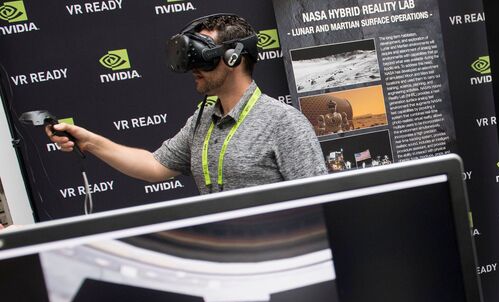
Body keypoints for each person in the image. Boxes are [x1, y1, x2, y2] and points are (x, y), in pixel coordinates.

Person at [47, 14, 326, 194]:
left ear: (233, 59)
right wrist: (89, 142)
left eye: (203, 56)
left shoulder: (283, 122)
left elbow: (322, 200)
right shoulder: (202, 120)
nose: (194, 66)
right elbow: (154, 166)